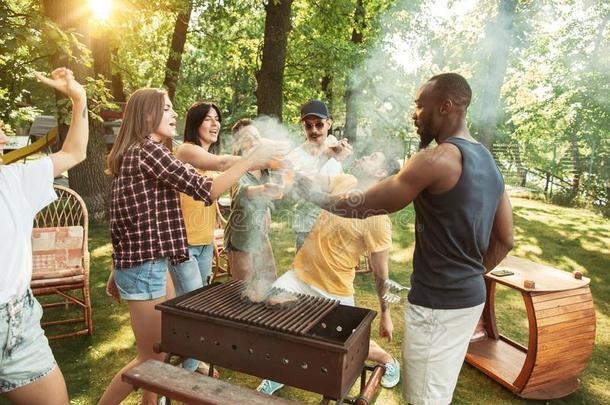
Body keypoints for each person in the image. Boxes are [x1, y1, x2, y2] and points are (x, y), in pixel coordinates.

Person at [297, 73, 514, 404]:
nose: (414, 114)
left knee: (424, 398)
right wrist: (468, 276)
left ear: (445, 107)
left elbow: (361, 206)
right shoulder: (488, 161)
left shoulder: (435, 160)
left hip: (436, 305)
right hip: (469, 299)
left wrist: (311, 193)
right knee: (437, 390)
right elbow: (505, 239)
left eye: (419, 105)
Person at [98, 89, 286, 405]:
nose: (174, 115)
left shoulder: (141, 152)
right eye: (167, 109)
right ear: (147, 116)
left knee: (161, 352)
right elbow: (207, 189)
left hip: (146, 265)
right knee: (150, 360)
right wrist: (253, 158)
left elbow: (127, 219)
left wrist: (118, 268)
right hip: (145, 270)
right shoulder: (149, 152)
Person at [257, 151, 402, 396]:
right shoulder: (345, 180)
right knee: (273, 316)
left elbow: (381, 273)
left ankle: (387, 359)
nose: (365, 156)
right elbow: (311, 181)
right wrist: (289, 162)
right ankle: (277, 373)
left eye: (374, 156)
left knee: (348, 344)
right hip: (299, 275)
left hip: (335, 289)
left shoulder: (377, 217)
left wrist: (386, 313)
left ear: (380, 173)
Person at [0, 68, 88, 405]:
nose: (5, 139)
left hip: (18, 324)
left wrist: (78, 98)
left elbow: (74, 153)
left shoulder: (14, 179)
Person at [224, 122, 282, 293]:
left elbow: (275, 192)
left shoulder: (265, 169)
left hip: (261, 234)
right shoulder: (236, 166)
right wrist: (262, 190)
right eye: (249, 138)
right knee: (243, 288)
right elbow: (238, 193)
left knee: (271, 279)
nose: (256, 141)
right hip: (241, 237)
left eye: (257, 136)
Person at [288, 100, 351, 251]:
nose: (314, 130)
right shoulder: (295, 156)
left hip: (335, 223)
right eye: (308, 126)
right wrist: (327, 155)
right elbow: (305, 183)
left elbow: (339, 178)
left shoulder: (333, 144)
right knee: (305, 274)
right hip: (308, 227)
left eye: (319, 124)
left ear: (329, 123)